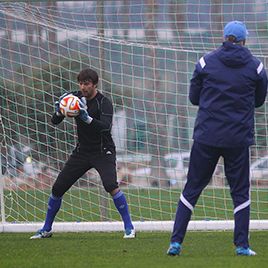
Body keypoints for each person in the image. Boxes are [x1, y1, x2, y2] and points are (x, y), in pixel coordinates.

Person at [167, 21, 267, 256]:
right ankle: (242, 245)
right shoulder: (256, 67)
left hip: (206, 136)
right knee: (240, 192)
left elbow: (194, 98)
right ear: (244, 40)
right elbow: (259, 101)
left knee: (192, 188)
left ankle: (176, 242)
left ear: (224, 38)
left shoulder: (205, 62)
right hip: (238, 139)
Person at [30, 68, 135, 239]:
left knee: (110, 185)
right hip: (82, 151)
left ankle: (129, 228)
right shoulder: (74, 98)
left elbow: (106, 127)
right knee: (58, 188)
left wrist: (88, 119)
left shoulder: (104, 102)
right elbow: (55, 121)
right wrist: (59, 111)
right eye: (80, 83)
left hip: (103, 151)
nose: (83, 87)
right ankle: (47, 229)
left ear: (94, 84)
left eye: (86, 84)